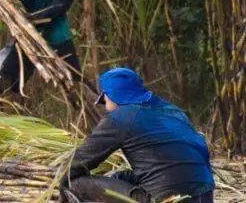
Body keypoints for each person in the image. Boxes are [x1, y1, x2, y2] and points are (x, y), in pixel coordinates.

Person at [60, 68, 215, 203]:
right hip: (204, 196)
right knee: (121, 177)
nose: (106, 107)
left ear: (112, 96)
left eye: (105, 100)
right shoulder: (172, 110)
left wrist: (61, 185)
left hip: (166, 199)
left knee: (76, 183)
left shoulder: (121, 117)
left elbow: (81, 161)